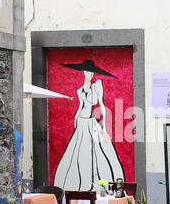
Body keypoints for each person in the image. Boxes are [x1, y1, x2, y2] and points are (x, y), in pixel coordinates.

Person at [53, 59, 125, 192]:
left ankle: (97, 185)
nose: (90, 74)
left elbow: (102, 106)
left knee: (99, 153)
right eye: (87, 71)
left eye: (92, 72)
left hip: (92, 123)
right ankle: (81, 183)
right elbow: (81, 106)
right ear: (83, 72)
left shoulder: (97, 85)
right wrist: (75, 118)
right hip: (81, 122)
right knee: (78, 154)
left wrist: (104, 129)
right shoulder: (79, 90)